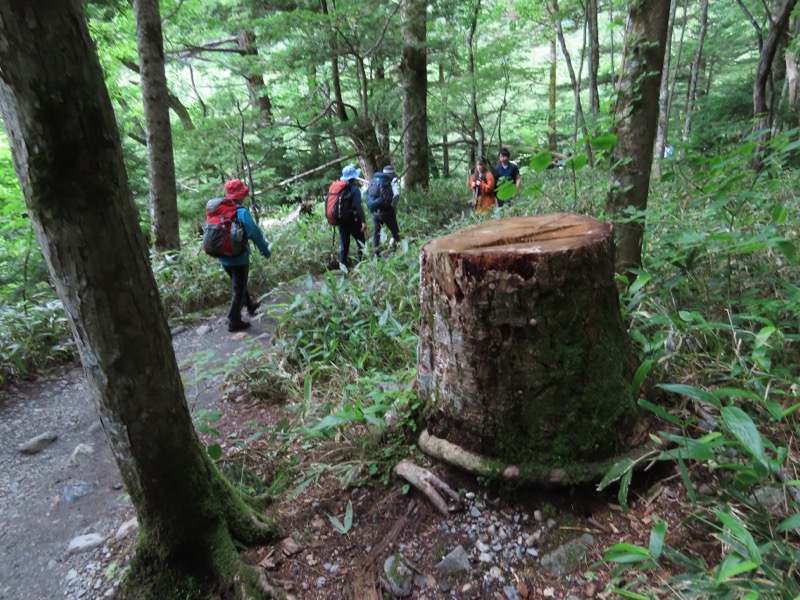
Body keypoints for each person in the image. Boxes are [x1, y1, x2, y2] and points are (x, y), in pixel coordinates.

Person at [216, 179, 271, 332]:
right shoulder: (241, 212)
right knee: (238, 288)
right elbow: (254, 233)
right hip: (238, 257)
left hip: (222, 256)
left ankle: (250, 305)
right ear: (241, 194)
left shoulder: (221, 210)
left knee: (238, 283)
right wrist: (264, 250)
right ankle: (234, 320)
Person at [336, 164, 367, 268]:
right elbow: (358, 206)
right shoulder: (355, 189)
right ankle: (359, 265)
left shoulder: (339, 189)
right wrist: (363, 221)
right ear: (354, 177)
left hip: (341, 222)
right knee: (361, 243)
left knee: (344, 246)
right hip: (354, 221)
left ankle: (343, 268)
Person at [367, 165, 402, 250]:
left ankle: (375, 253)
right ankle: (401, 249)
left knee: (376, 233)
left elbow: (366, 193)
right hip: (387, 212)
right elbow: (396, 195)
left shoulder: (374, 181)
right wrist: (392, 207)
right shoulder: (389, 183)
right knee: (395, 231)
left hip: (375, 212)